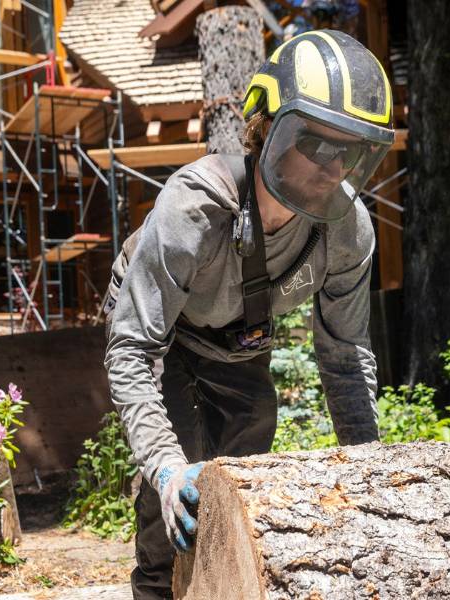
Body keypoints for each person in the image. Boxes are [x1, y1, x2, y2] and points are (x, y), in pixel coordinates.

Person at [104, 29, 394, 600]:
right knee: (178, 492)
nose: (331, 168)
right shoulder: (195, 209)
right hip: (160, 333)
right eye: (313, 143)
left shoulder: (347, 231)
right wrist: (163, 469)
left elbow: (344, 357)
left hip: (238, 338)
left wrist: (373, 477)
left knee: (246, 465)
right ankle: (157, 588)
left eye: (349, 151)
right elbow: (134, 348)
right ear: (264, 129)